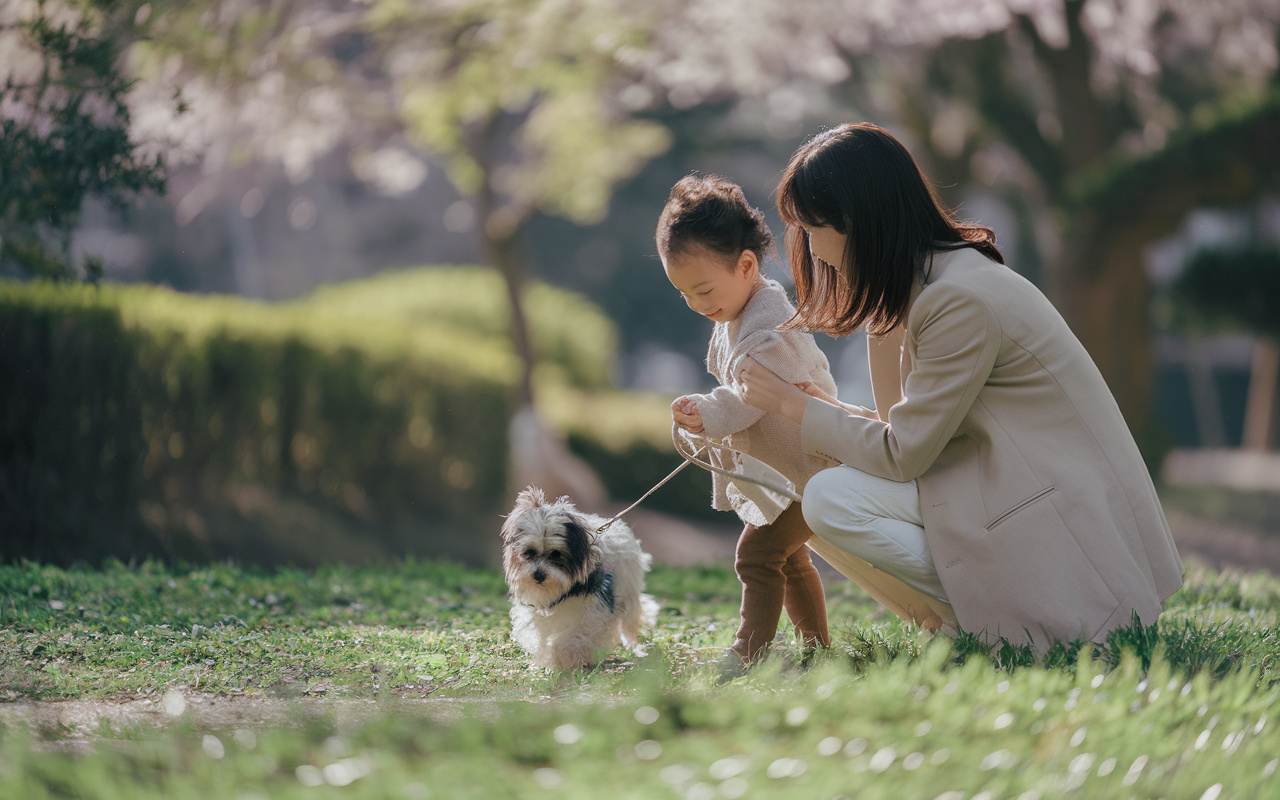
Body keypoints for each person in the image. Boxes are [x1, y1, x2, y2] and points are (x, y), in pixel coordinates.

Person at [734, 123, 1184, 652]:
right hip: (1003, 493)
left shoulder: (958, 301)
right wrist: (820, 408)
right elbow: (909, 431)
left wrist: (792, 403)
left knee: (831, 497)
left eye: (812, 229)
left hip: (1058, 533)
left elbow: (903, 455)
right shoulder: (925, 289)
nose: (810, 251)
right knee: (828, 489)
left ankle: (998, 631)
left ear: (858, 222)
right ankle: (966, 627)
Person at [656, 173, 836, 671]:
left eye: (704, 288)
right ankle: (817, 652)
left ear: (747, 264)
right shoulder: (735, 313)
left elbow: (752, 394)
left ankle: (747, 652)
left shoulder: (770, 323)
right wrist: (703, 409)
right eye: (685, 294)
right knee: (791, 560)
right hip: (794, 472)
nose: (698, 304)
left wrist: (709, 412)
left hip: (813, 466)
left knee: (755, 558)